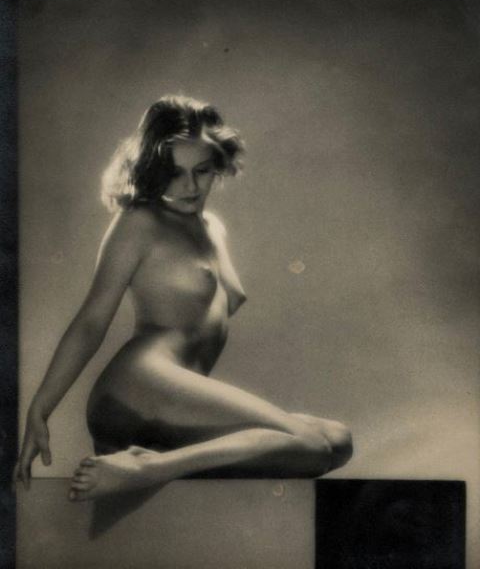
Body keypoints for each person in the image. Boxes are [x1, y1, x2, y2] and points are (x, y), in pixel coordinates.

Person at [15, 94, 353, 502]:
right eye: (174, 173)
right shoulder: (139, 221)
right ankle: (148, 468)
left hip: (173, 402)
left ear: (219, 165)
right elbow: (91, 321)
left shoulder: (212, 227)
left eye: (202, 171)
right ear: (153, 170)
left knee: (337, 439)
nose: (190, 186)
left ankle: (156, 462)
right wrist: (40, 409)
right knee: (311, 447)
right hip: (138, 386)